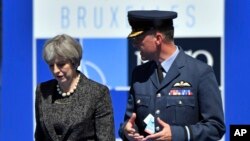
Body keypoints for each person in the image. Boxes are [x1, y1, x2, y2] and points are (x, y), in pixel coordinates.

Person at [119, 10, 225, 141]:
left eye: (139, 38)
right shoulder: (139, 74)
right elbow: (129, 122)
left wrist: (177, 134)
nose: (134, 44)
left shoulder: (201, 72)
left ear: (158, 39)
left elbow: (216, 127)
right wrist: (128, 131)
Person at [35, 34, 115, 141]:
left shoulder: (97, 93)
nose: (55, 70)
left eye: (61, 64)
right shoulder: (43, 90)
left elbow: (106, 138)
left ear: (74, 62)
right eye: (51, 65)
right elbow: (40, 136)